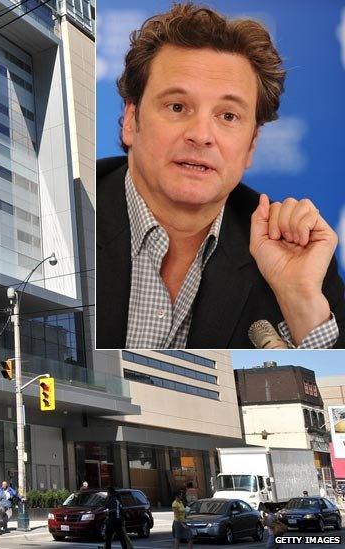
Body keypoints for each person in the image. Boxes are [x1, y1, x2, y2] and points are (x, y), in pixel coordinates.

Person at [96, 2, 345, 349]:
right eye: (177, 107)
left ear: (251, 143)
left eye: (228, 116)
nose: (201, 135)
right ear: (130, 120)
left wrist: (299, 300)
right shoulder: (73, 206)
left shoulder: (294, 251)